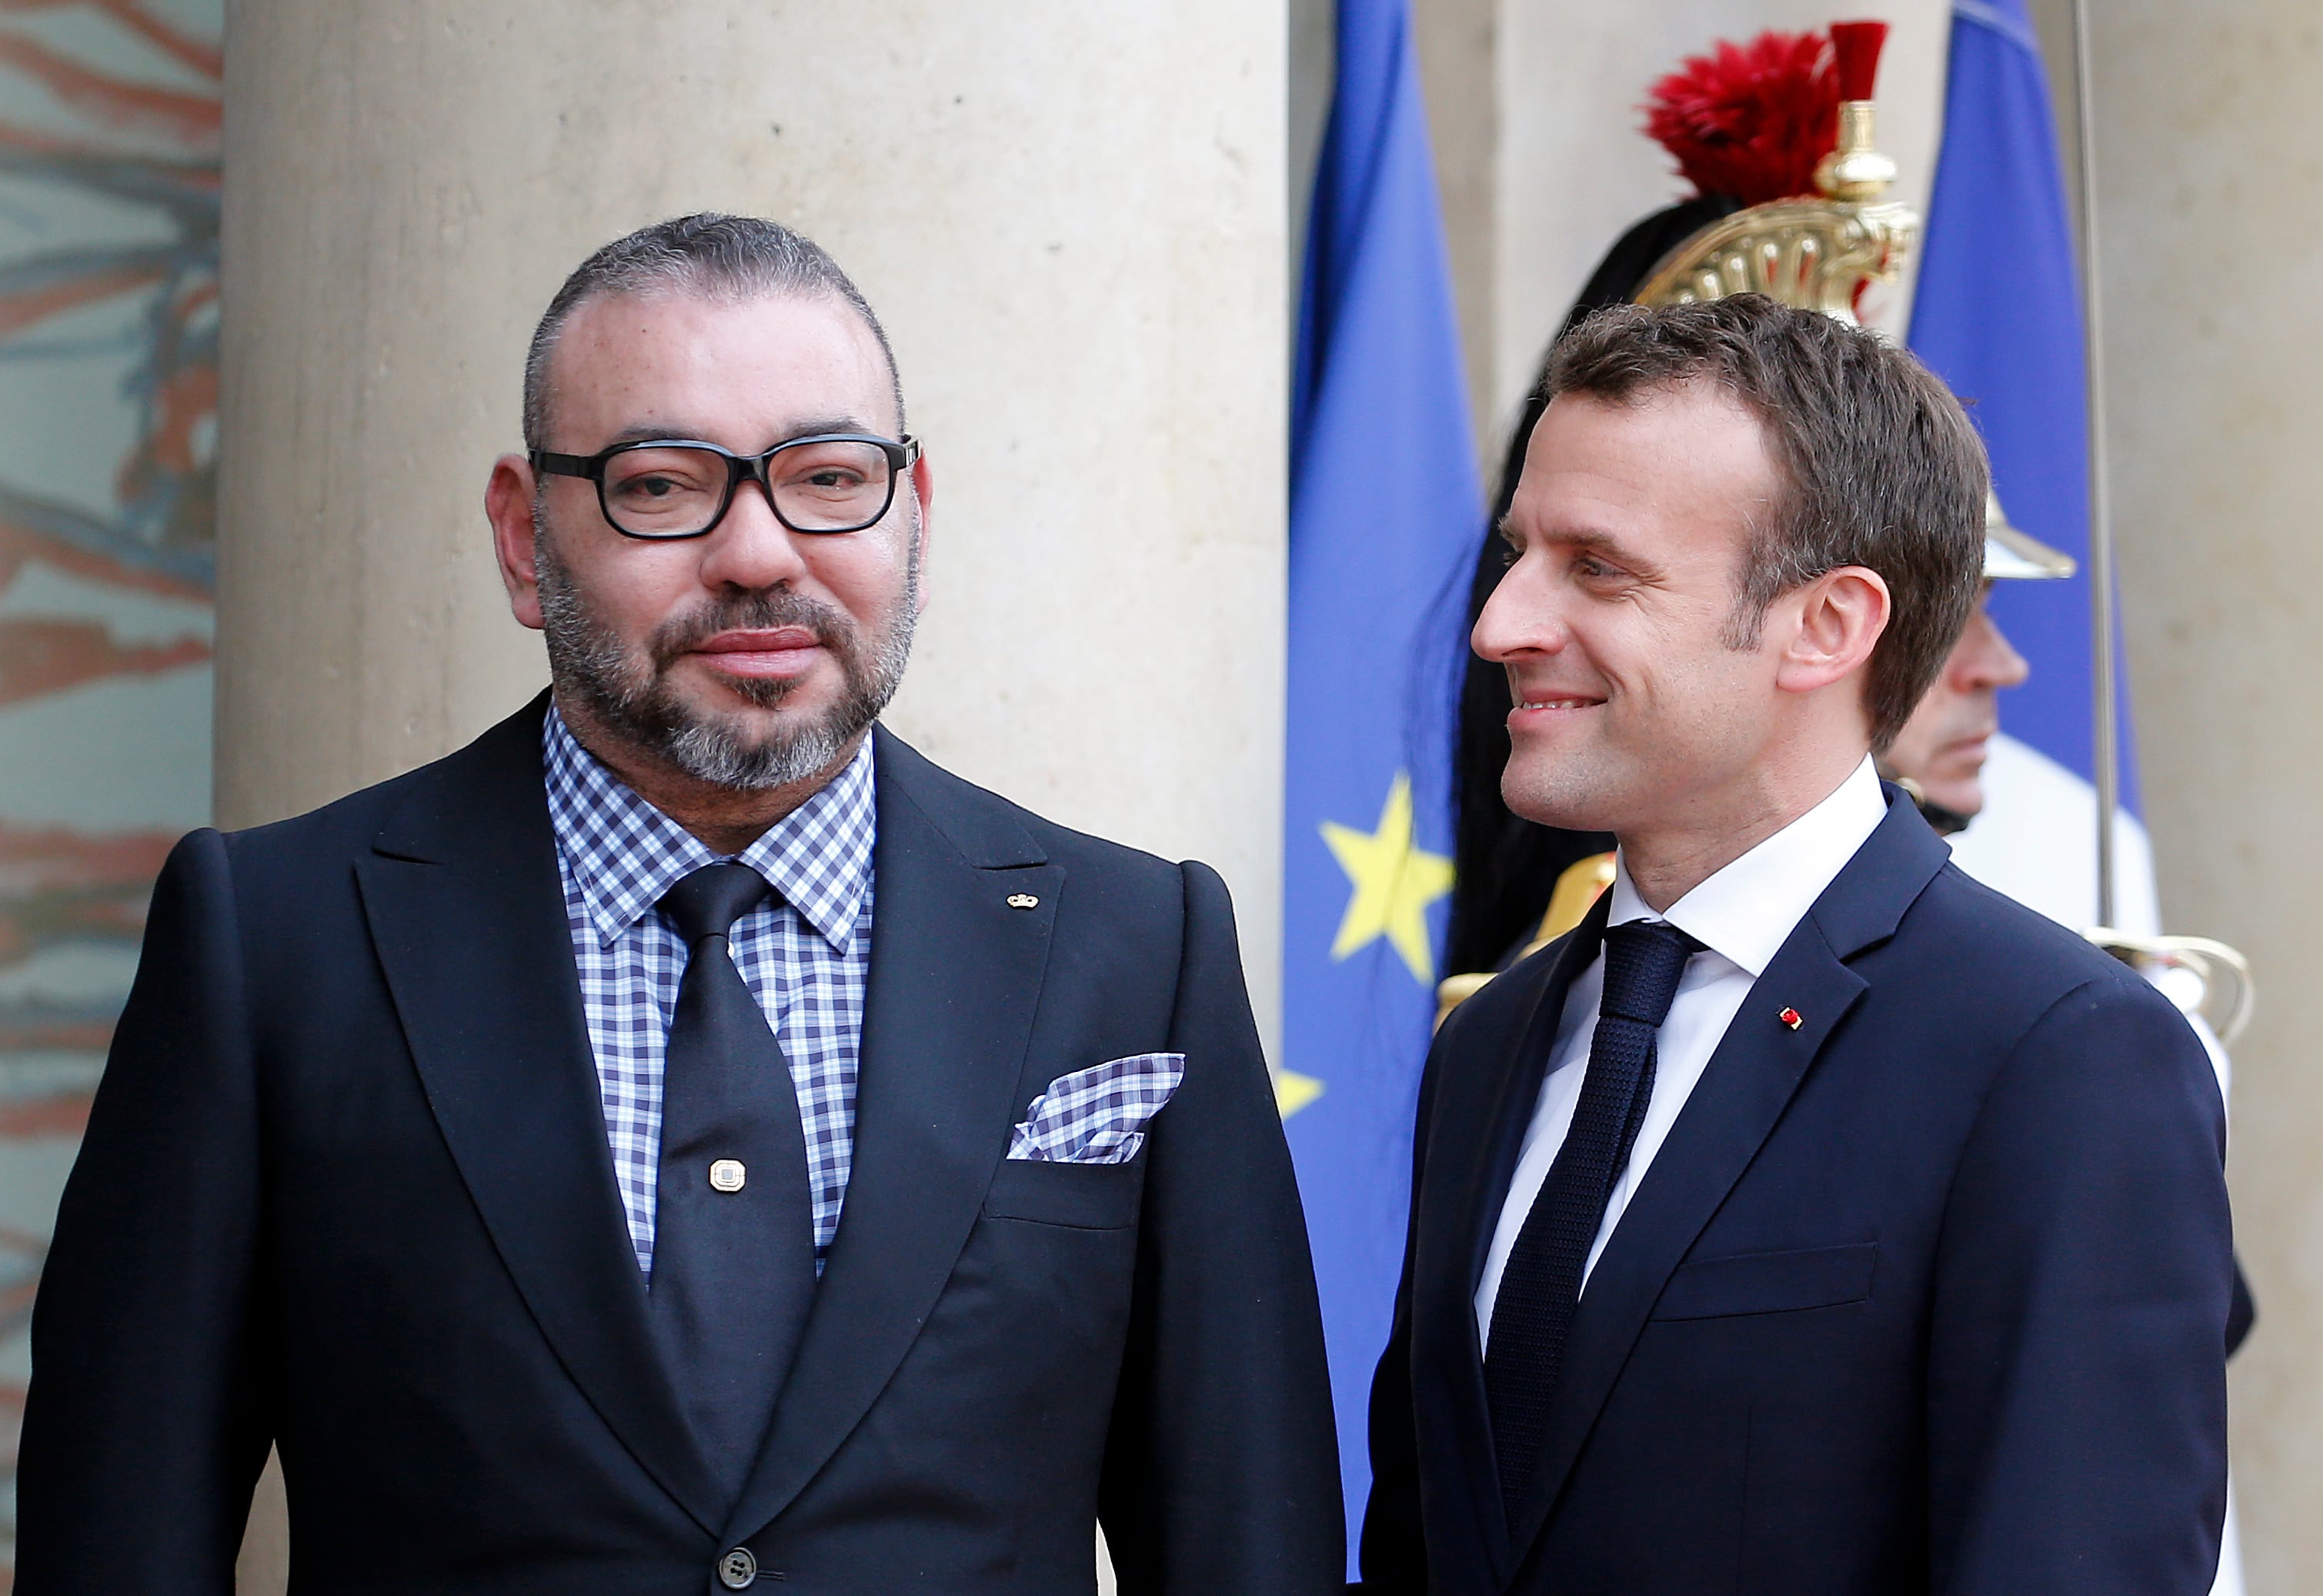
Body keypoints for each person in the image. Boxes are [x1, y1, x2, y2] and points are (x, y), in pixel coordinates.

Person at [17, 214, 1343, 1595]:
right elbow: (115, 1536)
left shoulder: (1139, 947)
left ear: (917, 514)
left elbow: (1254, 1542)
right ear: (527, 541)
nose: (762, 552)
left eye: (830, 477)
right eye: (662, 487)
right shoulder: (273, 940)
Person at [1356, 295, 2231, 1594]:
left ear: (1826, 625)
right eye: (1519, 553)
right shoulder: (1490, 1041)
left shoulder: (2058, 1056)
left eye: (1597, 566)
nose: (1501, 625)